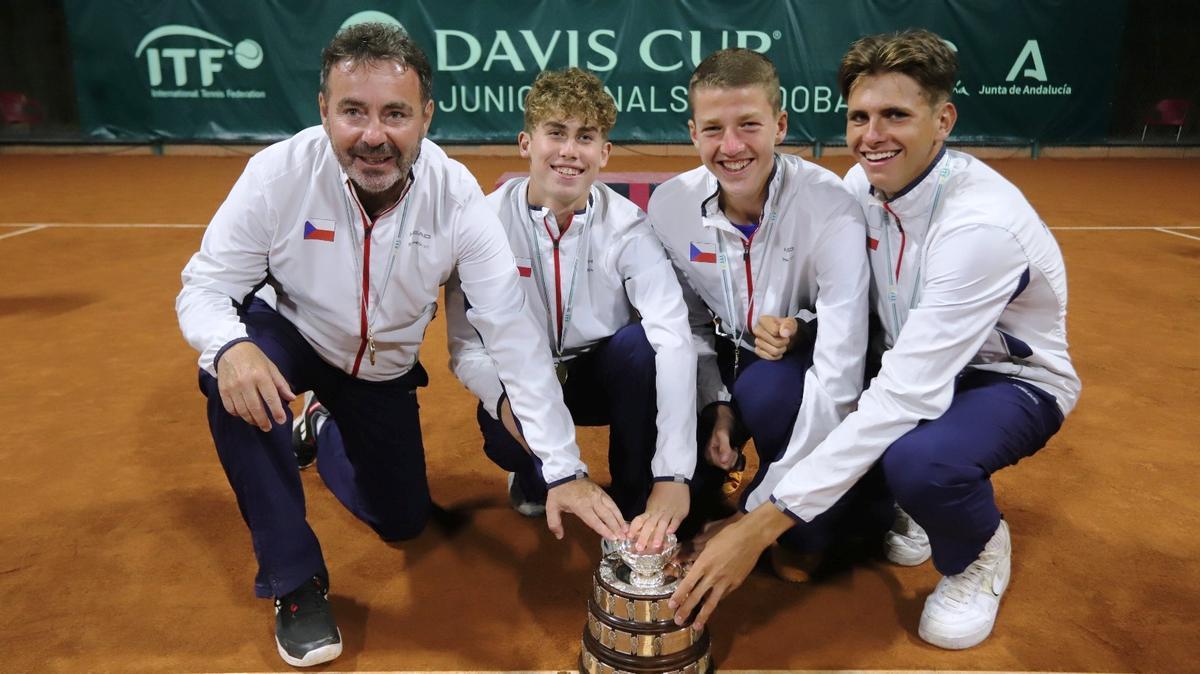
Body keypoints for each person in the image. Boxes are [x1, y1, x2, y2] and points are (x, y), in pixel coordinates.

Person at [176, 24, 624, 668]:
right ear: (324, 110)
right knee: (234, 383)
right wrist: (228, 348)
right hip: (290, 335)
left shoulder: (458, 199)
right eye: (353, 111)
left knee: (404, 520)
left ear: (426, 117)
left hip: (380, 371)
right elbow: (205, 287)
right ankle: (295, 579)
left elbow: (512, 337)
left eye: (396, 113)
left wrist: (565, 468)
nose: (374, 135)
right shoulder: (277, 174)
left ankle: (323, 424)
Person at [668, 29, 1080, 651]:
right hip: (904, 367)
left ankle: (977, 549)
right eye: (860, 117)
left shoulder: (980, 228)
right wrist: (800, 324)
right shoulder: (860, 188)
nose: (872, 135)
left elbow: (902, 397)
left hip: (1004, 380)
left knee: (924, 459)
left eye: (896, 115)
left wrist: (758, 522)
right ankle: (885, 500)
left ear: (943, 120)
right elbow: (858, 310)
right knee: (770, 384)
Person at [443, 67, 698, 552]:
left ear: (603, 153)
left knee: (640, 349)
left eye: (585, 137)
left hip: (599, 375)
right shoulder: (482, 224)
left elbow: (672, 336)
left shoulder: (629, 226)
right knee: (518, 453)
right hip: (521, 380)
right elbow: (465, 349)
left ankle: (631, 498)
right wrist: (502, 402)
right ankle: (531, 473)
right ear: (525, 143)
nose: (568, 151)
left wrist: (673, 472)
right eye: (555, 133)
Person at [647, 49, 875, 566]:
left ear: (780, 124)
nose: (731, 147)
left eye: (749, 125)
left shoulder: (831, 207)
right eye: (712, 129)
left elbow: (840, 378)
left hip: (797, 367)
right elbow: (689, 324)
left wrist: (757, 511)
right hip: (725, 361)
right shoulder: (670, 205)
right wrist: (717, 404)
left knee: (769, 400)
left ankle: (874, 498)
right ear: (692, 133)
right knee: (685, 487)